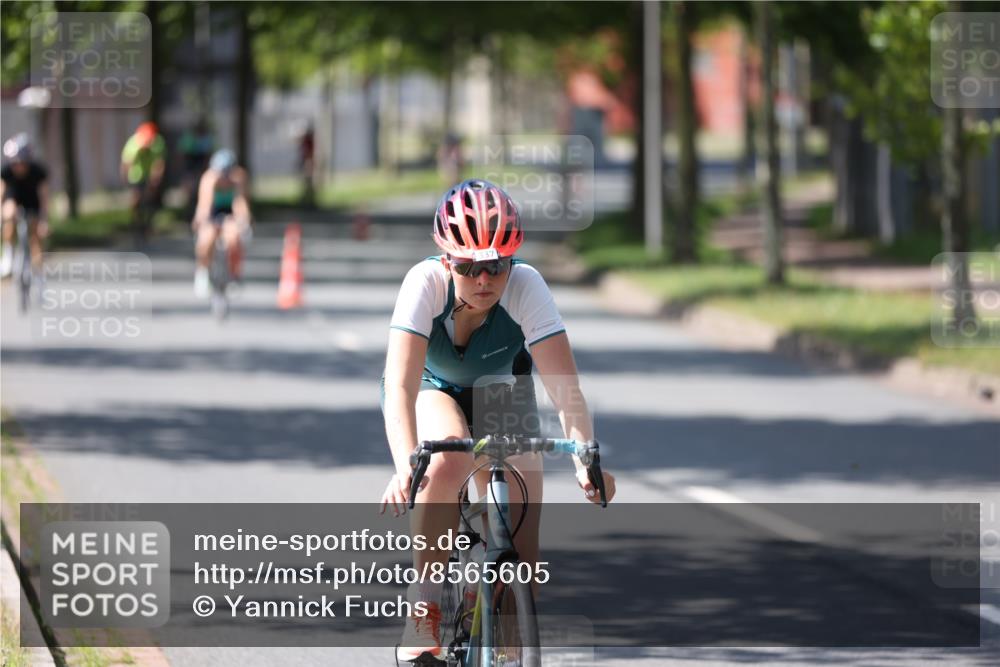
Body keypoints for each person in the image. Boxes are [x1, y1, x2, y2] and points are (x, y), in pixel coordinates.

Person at [379, 179, 616, 663]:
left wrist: (585, 459)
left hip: (501, 390)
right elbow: (399, 387)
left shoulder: (527, 286)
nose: (485, 279)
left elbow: (564, 387)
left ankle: (497, 623)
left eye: (496, 266)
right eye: (469, 267)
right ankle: (423, 609)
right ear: (447, 261)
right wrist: (407, 467)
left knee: (521, 534)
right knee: (446, 456)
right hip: (432, 389)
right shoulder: (423, 284)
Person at [191, 149, 252, 298]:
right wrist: (202, 221)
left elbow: (240, 203)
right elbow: (205, 204)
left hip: (230, 212)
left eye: (227, 173)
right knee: (207, 238)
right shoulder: (209, 178)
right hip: (213, 211)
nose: (224, 178)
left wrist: (243, 220)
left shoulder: (238, 178)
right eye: (221, 173)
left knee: (234, 238)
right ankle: (202, 272)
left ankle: (234, 276)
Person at [1, 133, 49, 279]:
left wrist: (44, 220)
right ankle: (8, 254)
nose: (18, 166)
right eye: (15, 162)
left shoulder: (38, 171)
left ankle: (39, 277)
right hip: (14, 199)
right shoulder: (6, 171)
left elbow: (44, 197)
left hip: (32, 202)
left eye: (21, 162)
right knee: (9, 214)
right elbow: (2, 193)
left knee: (36, 237)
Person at [120, 121, 166, 244]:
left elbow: (159, 163)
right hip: (135, 175)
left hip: (150, 174)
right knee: (136, 200)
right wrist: (125, 178)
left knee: (150, 199)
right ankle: (136, 224)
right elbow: (126, 164)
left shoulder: (157, 143)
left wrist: (156, 179)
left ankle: (148, 223)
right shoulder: (133, 145)